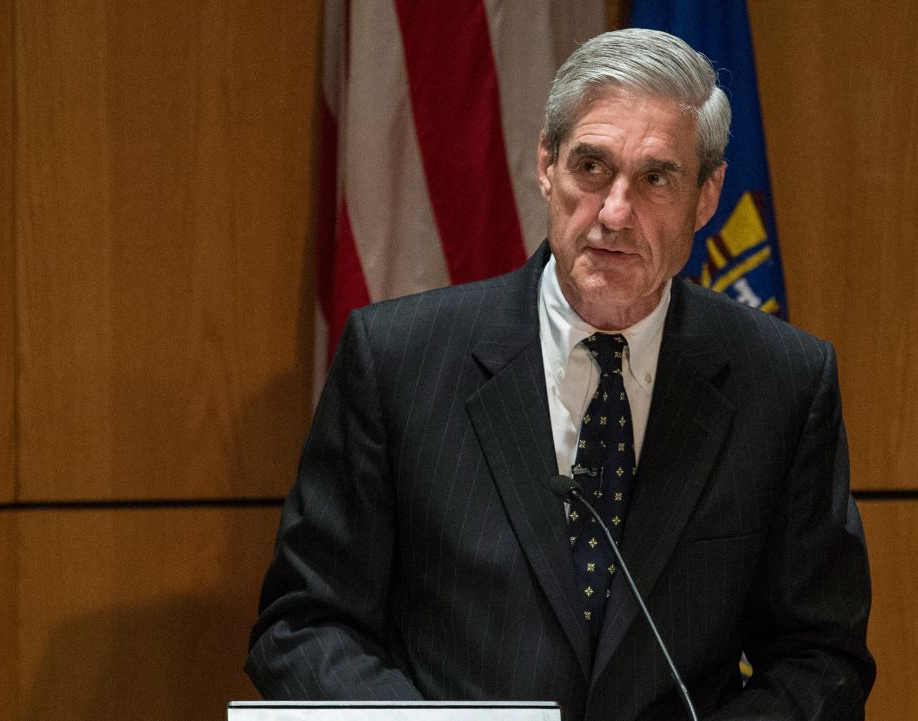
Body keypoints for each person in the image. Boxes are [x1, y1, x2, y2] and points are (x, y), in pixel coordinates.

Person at [247, 28, 875, 721]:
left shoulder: (782, 382)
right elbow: (303, 624)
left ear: (707, 195)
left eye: (656, 177)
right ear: (545, 164)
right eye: (592, 167)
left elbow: (822, 655)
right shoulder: (397, 359)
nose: (613, 212)